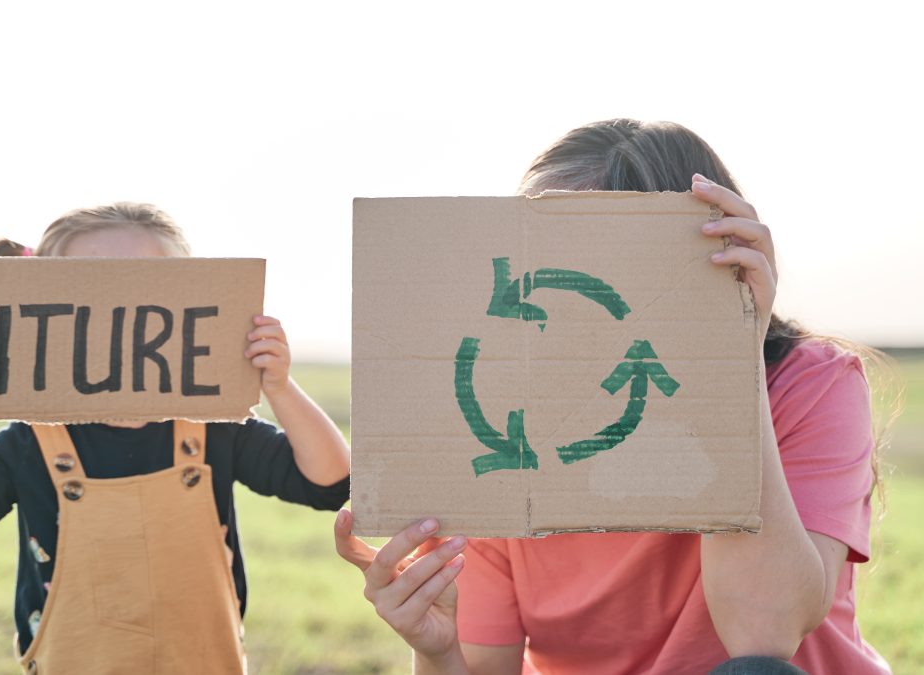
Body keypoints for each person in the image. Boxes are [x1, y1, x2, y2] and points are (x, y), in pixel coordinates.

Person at [334, 120, 891, 674]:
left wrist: (723, 354)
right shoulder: (502, 436)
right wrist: (436, 650)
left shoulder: (810, 384)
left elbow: (762, 639)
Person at [0, 202, 351, 674]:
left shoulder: (214, 428)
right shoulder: (30, 443)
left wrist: (278, 388)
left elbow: (330, 481)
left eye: (144, 292)